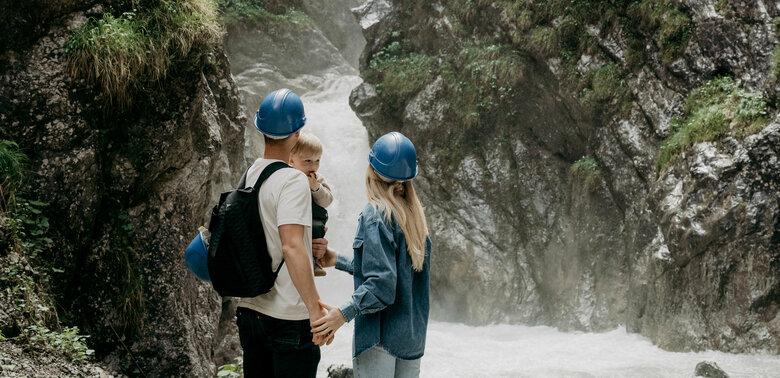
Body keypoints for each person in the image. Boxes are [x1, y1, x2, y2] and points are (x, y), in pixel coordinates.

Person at [312, 132, 432, 378]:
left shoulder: (376, 214)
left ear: (372, 172)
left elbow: (382, 284)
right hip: (411, 339)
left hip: (380, 338)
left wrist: (342, 314)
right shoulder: (415, 219)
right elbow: (392, 272)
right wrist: (339, 260)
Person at [236, 88, 333, 378]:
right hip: (287, 316)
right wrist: (315, 309)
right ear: (297, 133)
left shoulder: (250, 174)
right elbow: (291, 247)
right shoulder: (293, 180)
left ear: (261, 130)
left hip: (250, 311)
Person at [289, 131, 333, 277]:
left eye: (317, 160)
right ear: (292, 160)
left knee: (317, 231)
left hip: (314, 219)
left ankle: (314, 262)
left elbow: (327, 201)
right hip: (295, 221)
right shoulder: (287, 176)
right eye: (307, 161)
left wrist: (315, 187)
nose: (313, 165)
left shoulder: (318, 179)